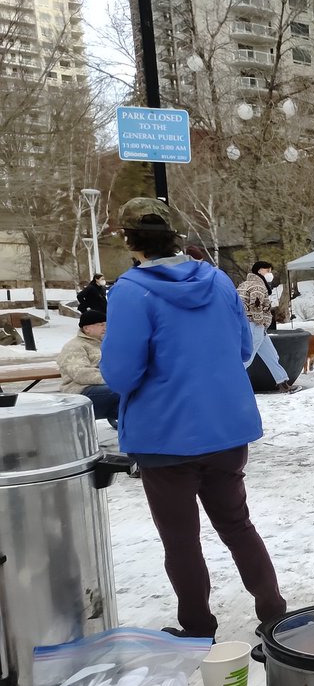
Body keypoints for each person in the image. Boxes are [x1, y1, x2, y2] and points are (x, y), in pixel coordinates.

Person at [100, 197, 286, 639]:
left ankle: (198, 627)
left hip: (165, 437)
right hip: (226, 429)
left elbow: (121, 374)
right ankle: (275, 613)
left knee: (180, 539)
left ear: (130, 240)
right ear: (175, 236)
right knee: (238, 524)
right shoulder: (219, 281)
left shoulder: (130, 290)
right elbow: (245, 349)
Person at [236, 260, 293, 393]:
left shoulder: (244, 284)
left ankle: (282, 382)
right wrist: (260, 322)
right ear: (259, 270)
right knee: (247, 357)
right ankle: (230, 382)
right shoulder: (258, 286)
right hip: (255, 325)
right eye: (268, 270)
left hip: (249, 324)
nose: (270, 273)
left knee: (271, 355)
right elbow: (256, 306)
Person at [57, 309, 119, 428]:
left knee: (141, 391)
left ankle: (135, 427)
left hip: (104, 387)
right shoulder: (75, 346)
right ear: (87, 329)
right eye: (101, 325)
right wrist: (114, 380)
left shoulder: (106, 344)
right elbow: (81, 374)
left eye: (106, 324)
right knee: (122, 390)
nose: (105, 327)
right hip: (80, 391)